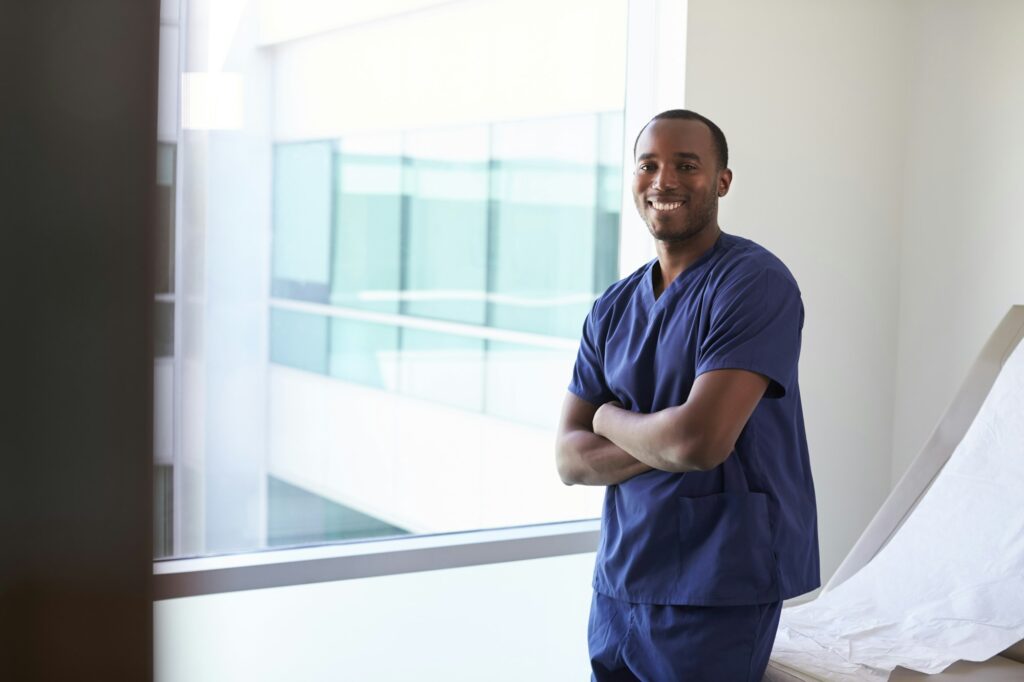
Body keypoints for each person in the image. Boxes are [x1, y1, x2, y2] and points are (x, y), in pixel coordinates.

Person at [556, 109, 820, 681]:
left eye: (686, 165)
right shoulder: (613, 307)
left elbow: (698, 443)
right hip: (621, 580)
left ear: (722, 181)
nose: (663, 180)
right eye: (648, 165)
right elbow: (569, 459)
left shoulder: (753, 284)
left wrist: (606, 415)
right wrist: (667, 438)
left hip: (718, 580)